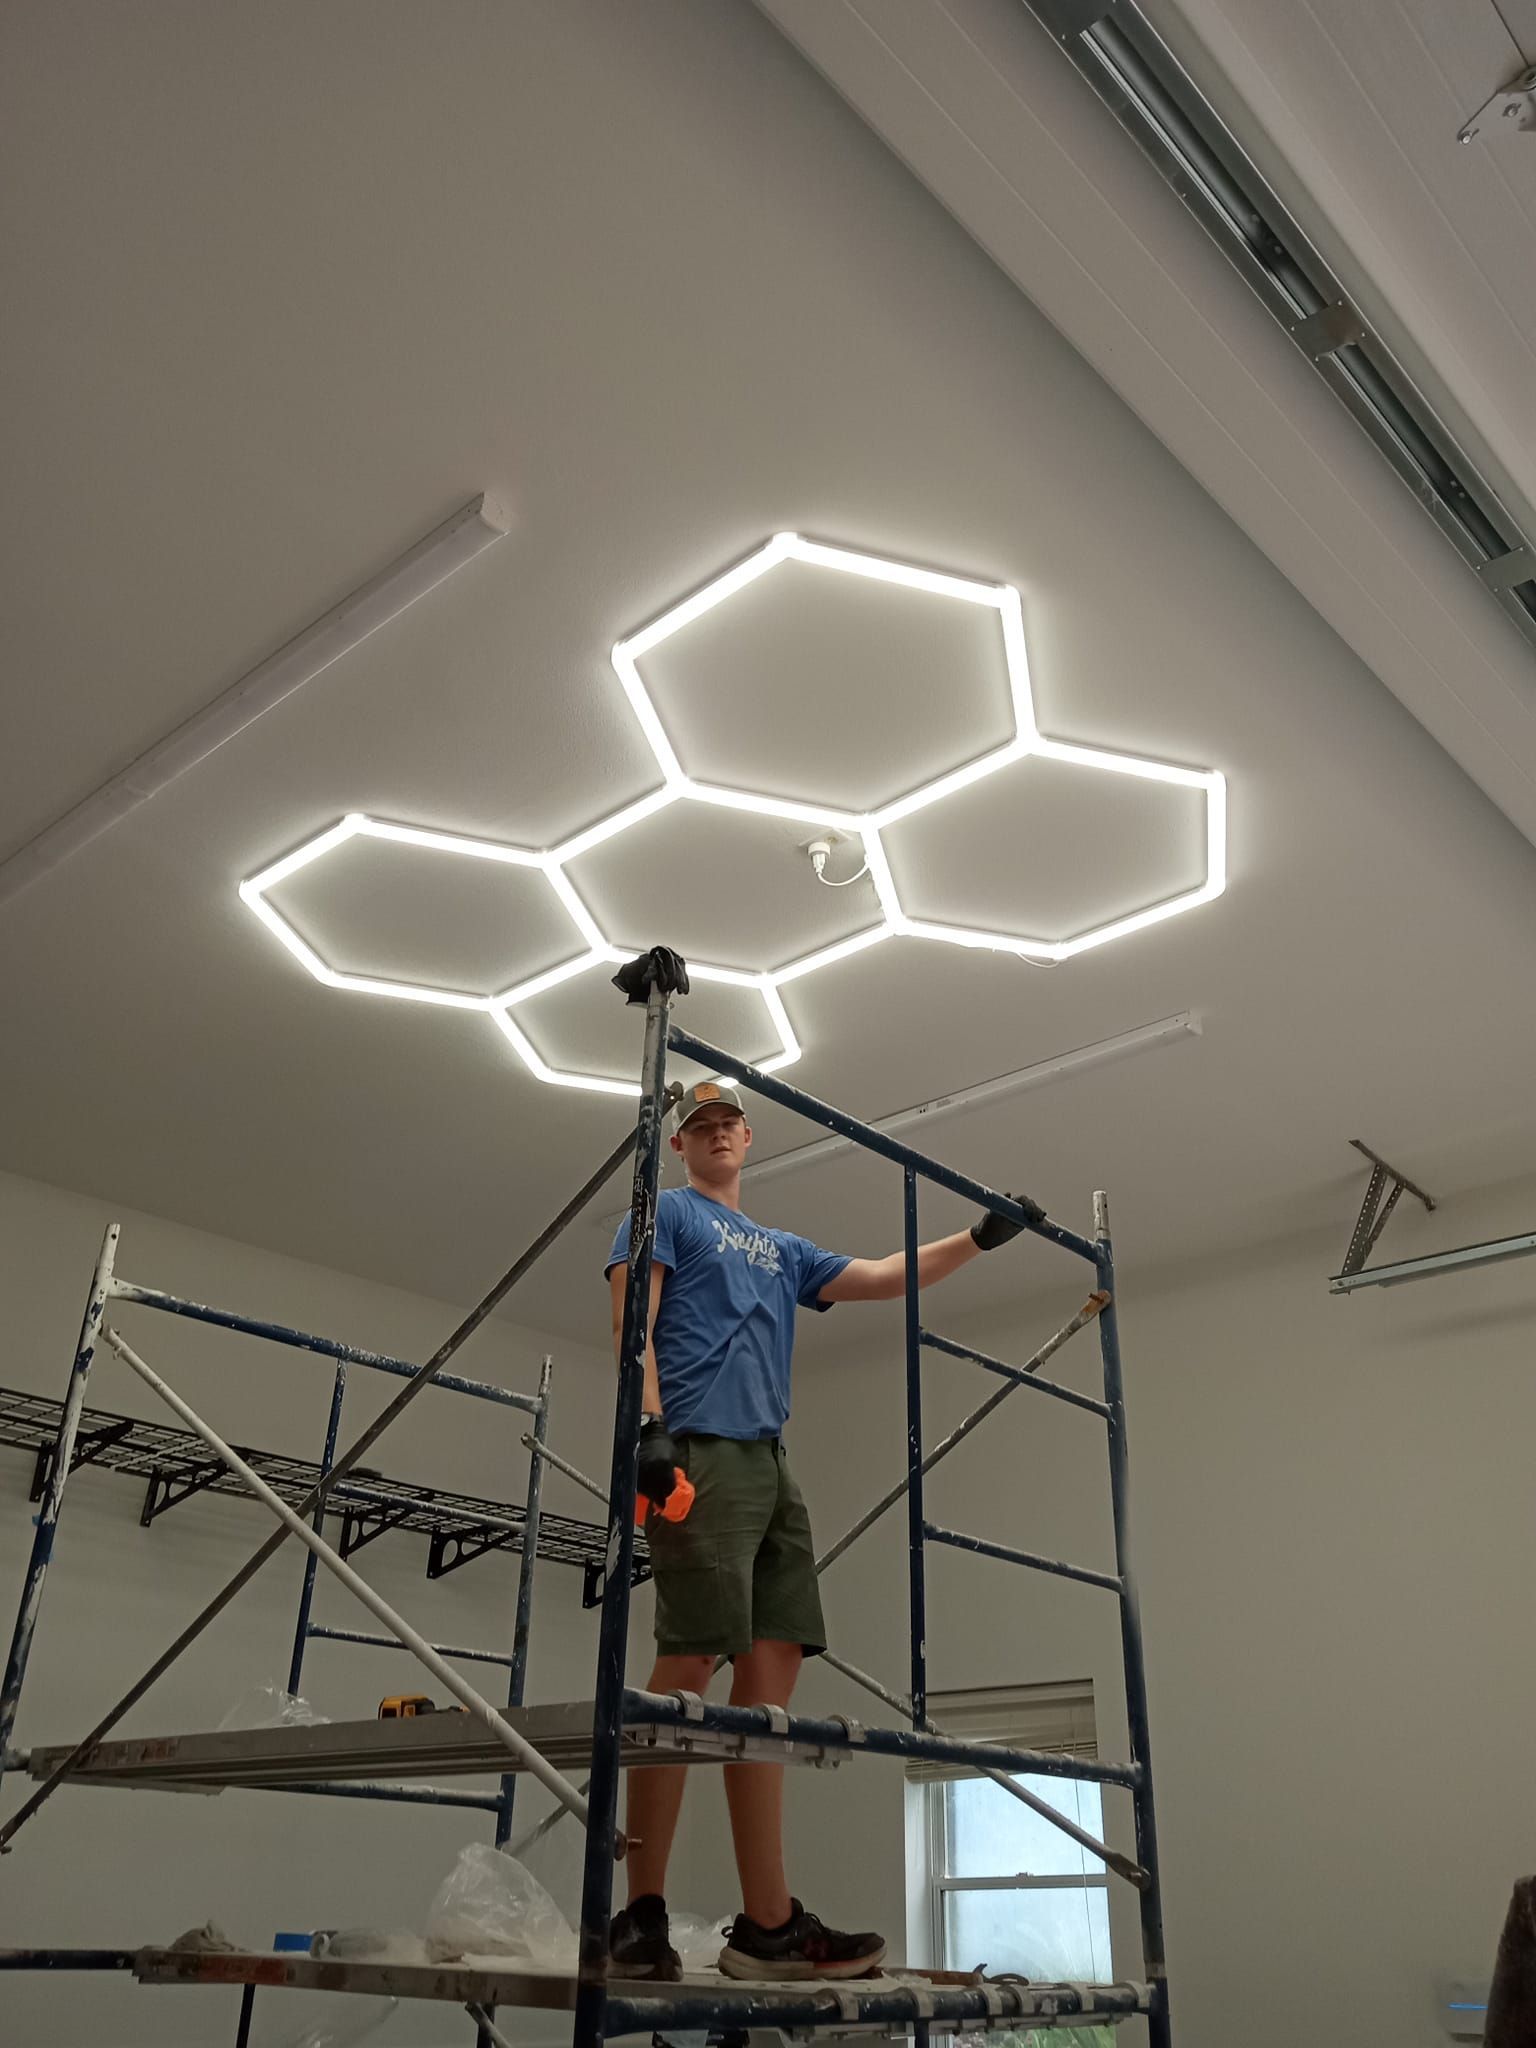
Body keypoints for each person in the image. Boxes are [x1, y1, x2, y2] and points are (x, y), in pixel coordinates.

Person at [603, 1077, 1035, 1983]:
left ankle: (767, 1924)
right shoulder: (666, 1215)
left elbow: (881, 1275)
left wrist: (978, 1238)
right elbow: (631, 1327)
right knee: (687, 1666)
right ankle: (639, 1910)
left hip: (768, 1458)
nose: (716, 1133)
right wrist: (649, 1433)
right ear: (680, 1146)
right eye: (699, 1126)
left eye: (729, 1123)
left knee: (771, 1682)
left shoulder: (779, 1246)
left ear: (750, 1139)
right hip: (698, 1449)